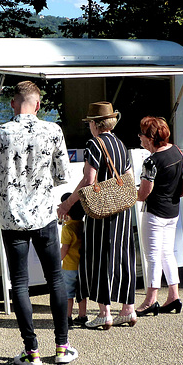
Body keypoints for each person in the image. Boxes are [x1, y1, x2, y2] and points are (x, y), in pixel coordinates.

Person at [0, 80, 78, 365]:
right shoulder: (53, 131)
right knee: (55, 279)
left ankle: (31, 352)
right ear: (38, 105)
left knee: (20, 283)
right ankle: (62, 347)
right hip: (45, 216)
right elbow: (63, 176)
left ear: (13, 103)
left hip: (11, 218)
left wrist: (8, 181)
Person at [57, 101, 136, 330]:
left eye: (89, 123)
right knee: (123, 257)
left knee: (101, 257)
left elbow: (89, 180)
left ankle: (104, 313)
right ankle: (128, 309)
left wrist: (67, 204)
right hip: (122, 209)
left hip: (102, 210)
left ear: (94, 124)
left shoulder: (95, 144)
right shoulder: (121, 144)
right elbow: (128, 176)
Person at [136, 116, 183, 316]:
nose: (139, 137)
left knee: (152, 257)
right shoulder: (176, 151)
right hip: (172, 210)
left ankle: (150, 299)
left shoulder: (151, 161)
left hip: (155, 213)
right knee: (167, 253)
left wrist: (128, 191)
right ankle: (174, 295)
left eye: (142, 134)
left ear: (150, 138)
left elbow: (143, 194)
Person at [59, 193, 88, 328]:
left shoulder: (67, 228)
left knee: (68, 294)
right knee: (81, 294)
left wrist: (57, 259)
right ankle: (82, 315)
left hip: (69, 267)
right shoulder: (83, 225)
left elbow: (65, 249)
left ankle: (67, 317)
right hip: (82, 266)